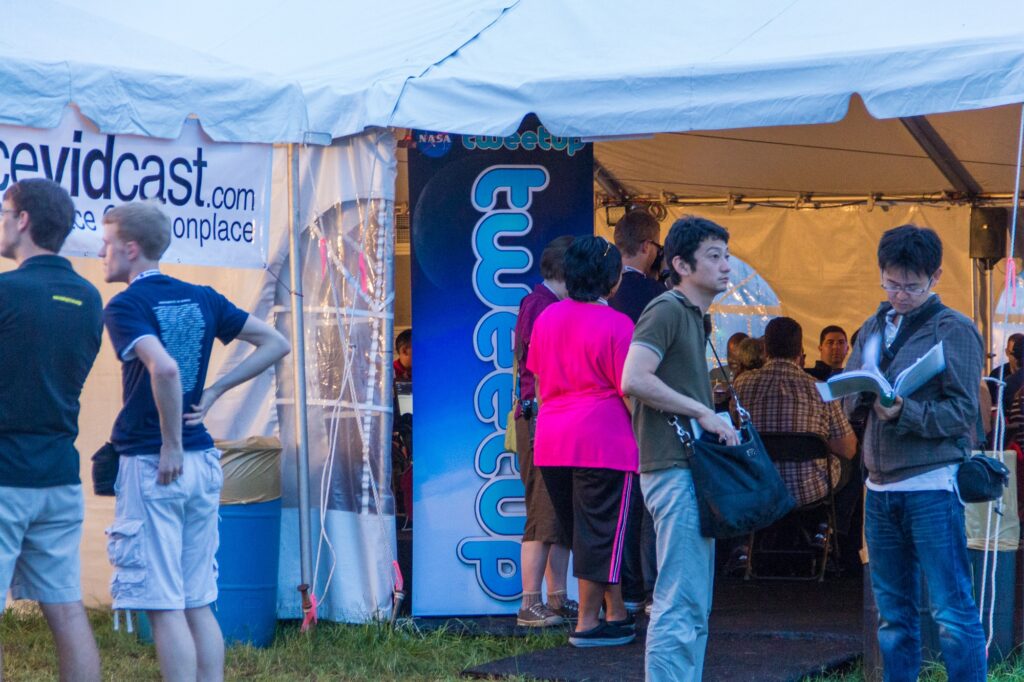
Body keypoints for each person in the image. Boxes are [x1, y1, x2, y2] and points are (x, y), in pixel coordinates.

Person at [100, 202, 290, 682]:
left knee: (165, 607)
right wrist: (215, 389)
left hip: (155, 463)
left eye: (107, 244)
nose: (102, 253)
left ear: (131, 248)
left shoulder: (126, 305)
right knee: (198, 601)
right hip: (204, 461)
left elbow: (163, 368)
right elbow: (276, 343)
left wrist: (170, 443)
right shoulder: (202, 297)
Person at [845, 224, 985, 681]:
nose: (900, 295)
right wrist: (859, 394)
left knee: (951, 611)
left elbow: (964, 413)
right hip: (879, 488)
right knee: (892, 615)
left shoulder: (954, 328)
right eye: (891, 283)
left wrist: (905, 410)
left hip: (932, 486)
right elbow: (848, 395)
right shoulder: (872, 327)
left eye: (912, 286)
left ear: (936, 277)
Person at [621, 215, 739, 681]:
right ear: (680, 265)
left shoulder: (691, 315)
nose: (726, 265)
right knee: (679, 598)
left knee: (691, 600)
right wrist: (702, 412)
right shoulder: (668, 309)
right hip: (672, 467)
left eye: (726, 255)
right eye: (714, 256)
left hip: (684, 466)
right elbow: (633, 378)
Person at [0, 178, 102, 681]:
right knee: (65, 607)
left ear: (23, 220)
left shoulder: (6, 291)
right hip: (59, 474)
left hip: (5, 472)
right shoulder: (89, 297)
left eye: (4, 212)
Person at [529, 235, 638, 647]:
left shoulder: (547, 318)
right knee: (602, 535)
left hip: (552, 438)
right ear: (612, 281)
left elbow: (539, 381)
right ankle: (588, 624)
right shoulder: (619, 324)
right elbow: (628, 390)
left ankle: (616, 611)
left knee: (584, 534)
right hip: (604, 441)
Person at [513, 235, 575, 627]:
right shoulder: (541, 306)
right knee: (542, 511)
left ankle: (557, 598)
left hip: (551, 417)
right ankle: (529, 603)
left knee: (558, 514)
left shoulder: (541, 303)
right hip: (541, 418)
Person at [609, 210, 665, 615]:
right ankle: (650, 589)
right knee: (650, 505)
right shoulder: (658, 296)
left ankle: (623, 590)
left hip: (603, 414)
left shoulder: (602, 293)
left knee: (616, 507)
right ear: (648, 246)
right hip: (647, 409)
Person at [737, 318, 856, 507]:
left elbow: (736, 428)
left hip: (758, 487)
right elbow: (847, 449)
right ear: (800, 351)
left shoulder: (742, 384)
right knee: (852, 465)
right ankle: (834, 523)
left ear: (765, 350)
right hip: (809, 491)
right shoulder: (821, 389)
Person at [709, 332, 748, 411]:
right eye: (729, 355)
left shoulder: (752, 377)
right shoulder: (715, 374)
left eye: (736, 356)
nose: (731, 360)